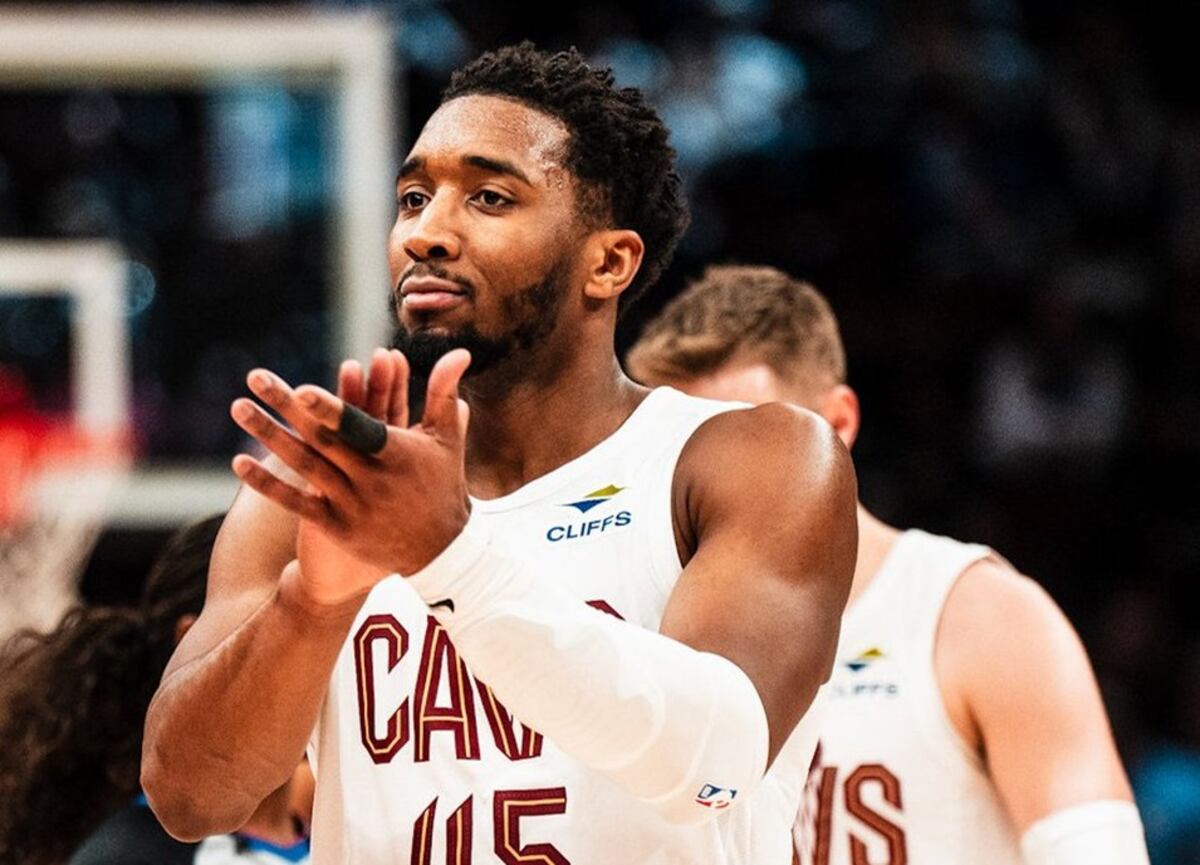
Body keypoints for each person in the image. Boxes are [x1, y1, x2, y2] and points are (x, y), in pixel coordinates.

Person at [141, 43, 858, 865]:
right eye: (414, 198)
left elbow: (713, 769)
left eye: (489, 197)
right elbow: (189, 798)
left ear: (609, 262)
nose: (427, 233)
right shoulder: (319, 492)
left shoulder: (746, 459)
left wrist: (448, 556)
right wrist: (313, 604)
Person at [626, 264, 1151, 865]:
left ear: (837, 425)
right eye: (683, 451)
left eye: (742, 442)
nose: (707, 479)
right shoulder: (636, 632)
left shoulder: (976, 616)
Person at [0, 515, 313, 865]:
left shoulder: (336, 821)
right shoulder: (132, 853)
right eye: (297, 622)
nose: (322, 658)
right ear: (195, 647)